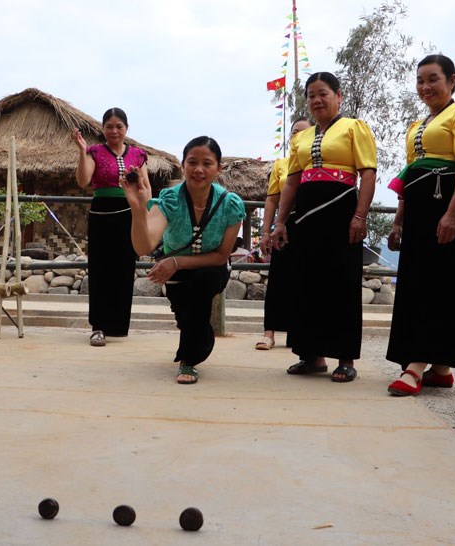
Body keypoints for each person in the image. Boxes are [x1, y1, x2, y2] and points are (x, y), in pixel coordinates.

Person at [385, 54, 455, 396]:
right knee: (417, 279)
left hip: (449, 206)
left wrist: (454, 214)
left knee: (441, 282)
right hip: (419, 209)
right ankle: (440, 367)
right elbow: (409, 175)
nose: (425, 87)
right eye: (420, 81)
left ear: (452, 80)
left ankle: (415, 365)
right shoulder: (417, 126)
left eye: (433, 79)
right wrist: (398, 221)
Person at [271, 72, 377, 383]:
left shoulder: (354, 128)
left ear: (338, 96)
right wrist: (280, 221)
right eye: (311, 95)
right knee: (306, 283)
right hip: (305, 216)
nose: (317, 100)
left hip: (341, 212)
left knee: (341, 283)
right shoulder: (301, 138)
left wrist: (360, 215)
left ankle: (345, 358)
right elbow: (291, 181)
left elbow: (367, 174)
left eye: (323, 94)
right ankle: (311, 356)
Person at [122, 136, 245, 384]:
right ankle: (202, 338)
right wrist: (137, 209)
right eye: (193, 162)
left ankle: (187, 360)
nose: (199, 169)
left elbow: (222, 256)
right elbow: (144, 245)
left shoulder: (230, 204)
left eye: (207, 163)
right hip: (175, 273)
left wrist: (176, 262)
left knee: (200, 290)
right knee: (186, 316)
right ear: (183, 164)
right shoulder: (169, 200)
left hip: (212, 268)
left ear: (218, 168)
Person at [71, 108, 147, 347]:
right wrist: (82, 151)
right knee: (100, 269)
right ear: (103, 129)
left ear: (126, 129)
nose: (114, 131)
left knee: (124, 269)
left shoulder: (138, 155)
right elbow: (83, 181)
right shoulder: (95, 151)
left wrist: (139, 194)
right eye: (109, 126)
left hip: (129, 214)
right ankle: (98, 326)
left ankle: (118, 325)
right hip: (101, 215)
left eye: (119, 126)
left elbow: (147, 190)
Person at [255, 117, 312, 351]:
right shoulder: (281, 164)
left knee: (305, 280)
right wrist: (266, 231)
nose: (297, 136)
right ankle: (269, 332)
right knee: (278, 278)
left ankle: (299, 335)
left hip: (310, 225)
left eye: (303, 132)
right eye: (294, 132)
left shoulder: (316, 164)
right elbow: (272, 199)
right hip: (284, 226)